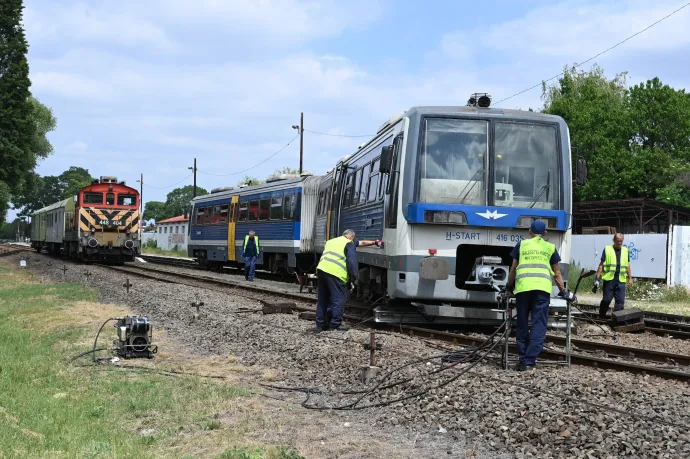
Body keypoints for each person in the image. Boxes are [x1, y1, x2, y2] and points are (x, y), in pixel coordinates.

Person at [506, 220, 574, 372]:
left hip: (523, 289)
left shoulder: (521, 245)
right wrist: (563, 292)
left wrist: (509, 286)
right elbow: (557, 273)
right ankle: (530, 362)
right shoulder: (550, 247)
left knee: (522, 323)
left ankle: (523, 360)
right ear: (545, 234)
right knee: (539, 325)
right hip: (542, 290)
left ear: (529, 232)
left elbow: (513, 270)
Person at [315, 229, 381, 331]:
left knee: (323, 299)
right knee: (338, 300)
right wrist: (353, 277)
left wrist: (374, 242)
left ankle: (320, 325)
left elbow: (361, 242)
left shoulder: (331, 241)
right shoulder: (349, 244)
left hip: (322, 271)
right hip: (336, 273)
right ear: (351, 237)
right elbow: (351, 262)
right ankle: (335, 325)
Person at [594, 233, 632, 318]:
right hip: (609, 280)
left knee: (620, 301)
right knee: (606, 300)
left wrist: (630, 278)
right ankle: (602, 315)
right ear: (613, 240)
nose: (619, 243)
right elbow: (601, 265)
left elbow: (627, 265)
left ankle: (616, 319)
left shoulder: (625, 250)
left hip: (621, 280)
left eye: (621, 241)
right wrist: (597, 278)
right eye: (618, 241)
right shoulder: (607, 249)